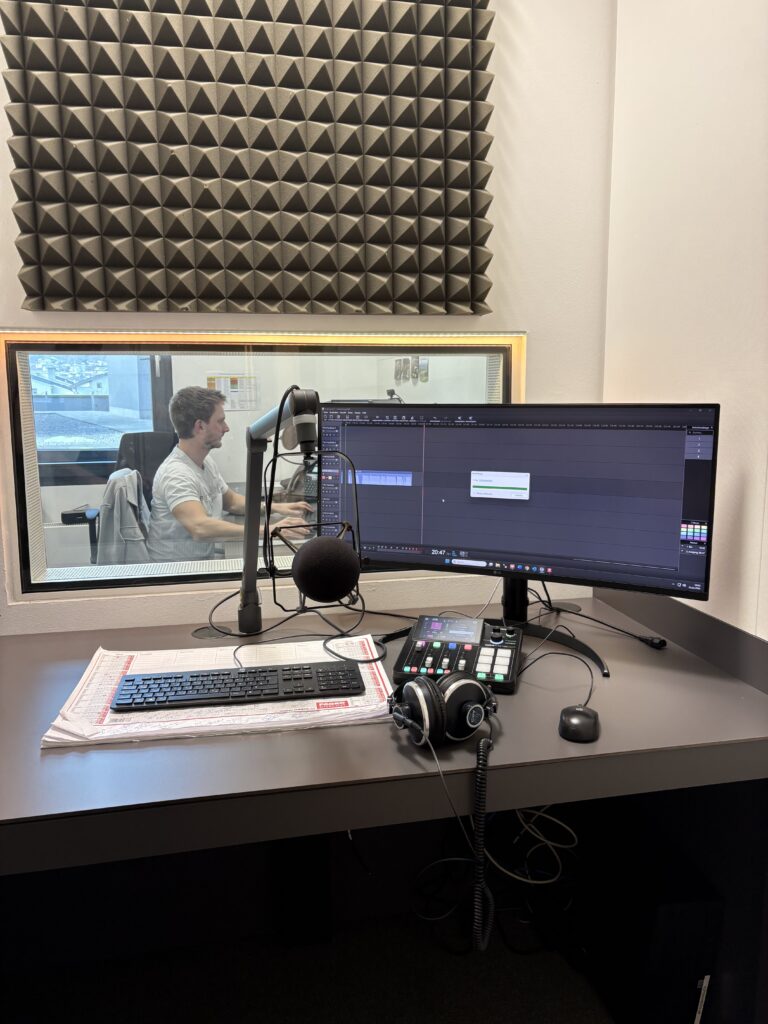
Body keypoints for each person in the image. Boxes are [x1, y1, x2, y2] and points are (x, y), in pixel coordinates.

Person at [147, 386, 311, 562]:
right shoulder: (176, 474)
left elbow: (231, 501)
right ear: (200, 426)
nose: (226, 428)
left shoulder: (205, 462)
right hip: (176, 570)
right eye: (220, 421)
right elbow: (200, 527)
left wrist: (275, 508)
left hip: (201, 560)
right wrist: (269, 530)